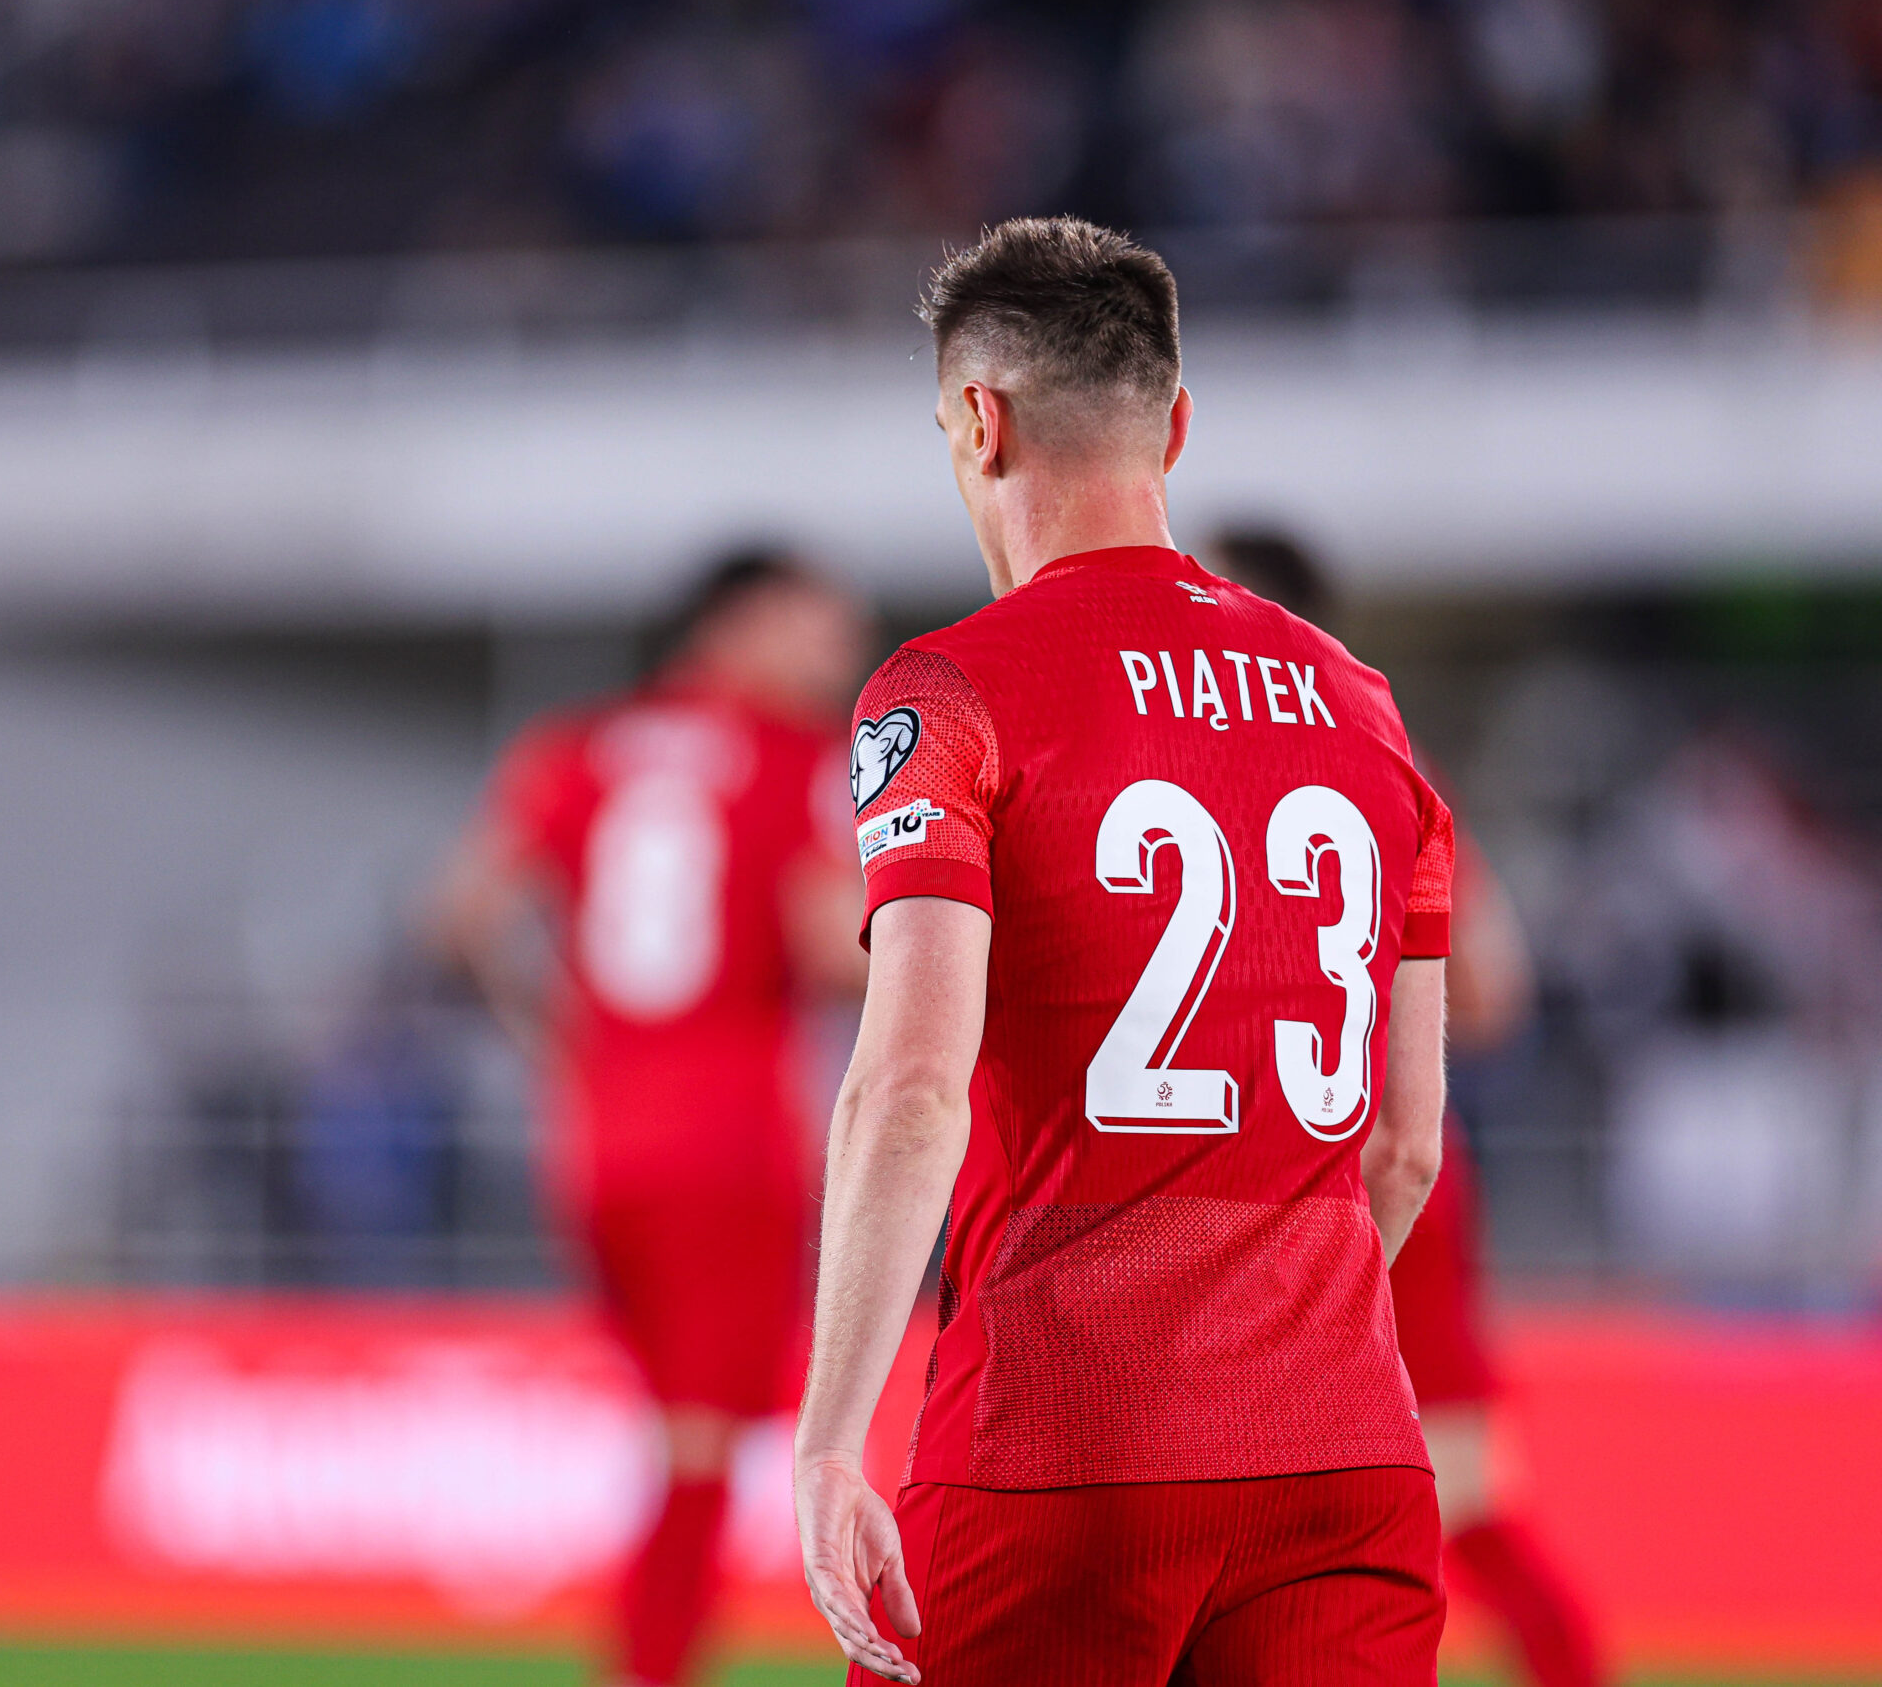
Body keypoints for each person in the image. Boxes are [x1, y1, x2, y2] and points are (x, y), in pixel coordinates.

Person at [793, 216, 1454, 1686]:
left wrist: (836, 1433)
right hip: (1342, 1456)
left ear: (980, 419)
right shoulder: (1365, 705)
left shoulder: (951, 692)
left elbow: (910, 1085)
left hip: (1060, 1448)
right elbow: (1403, 1144)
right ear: (1177, 424)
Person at [437, 550, 870, 1687]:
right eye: (823, 629)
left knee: (681, 1431)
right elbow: (830, 943)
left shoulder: (571, 748)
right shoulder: (803, 762)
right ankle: (651, 1669)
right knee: (701, 1445)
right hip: (730, 1140)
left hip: (595, 1141)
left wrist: (556, 1035)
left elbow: (463, 909)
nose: (842, 656)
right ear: (742, 621)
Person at [1214, 527, 1609, 1687]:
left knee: (1198, 1517)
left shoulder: (1161, 760)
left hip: (1233, 1187)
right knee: (1457, 1508)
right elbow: (1491, 994)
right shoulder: (1385, 758)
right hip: (1391, 1165)